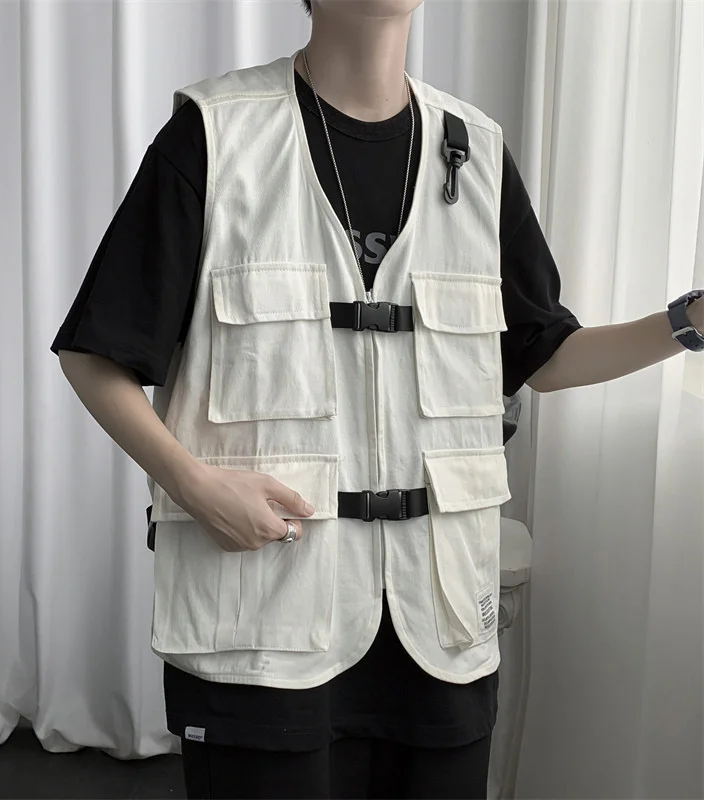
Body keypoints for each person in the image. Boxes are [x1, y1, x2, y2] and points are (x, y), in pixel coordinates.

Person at [51, 1, 704, 797]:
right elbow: (94, 355)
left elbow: (545, 355)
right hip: (263, 615)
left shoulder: (477, 152)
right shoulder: (216, 136)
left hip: (438, 624)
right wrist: (195, 485)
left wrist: (688, 322)